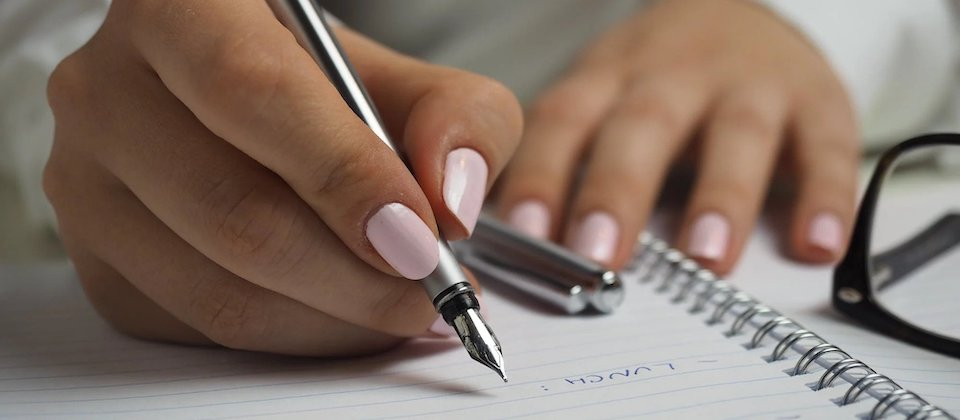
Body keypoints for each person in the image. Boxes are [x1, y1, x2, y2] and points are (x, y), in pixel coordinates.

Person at [1, 0, 958, 356]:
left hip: (875, 145)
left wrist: (813, 18)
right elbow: (54, 34)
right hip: (367, 150)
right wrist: (123, 94)